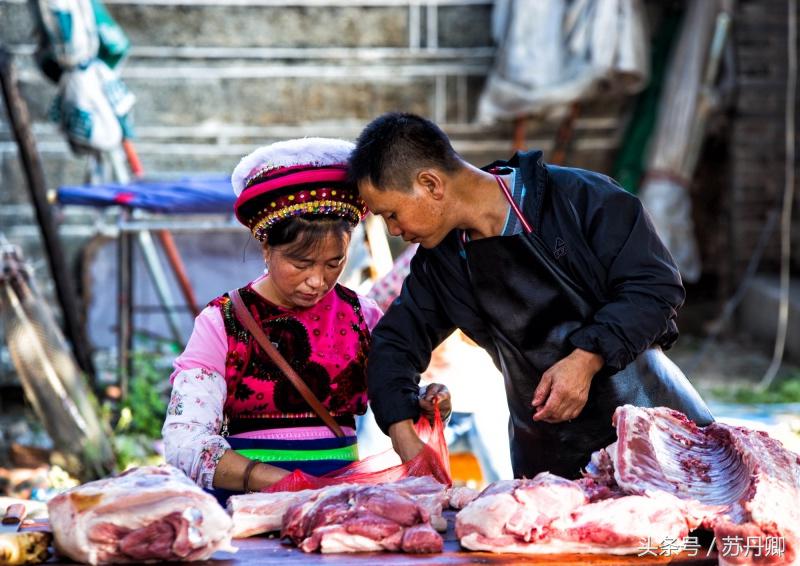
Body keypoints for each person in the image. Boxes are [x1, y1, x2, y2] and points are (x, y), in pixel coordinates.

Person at [349, 112, 713, 480]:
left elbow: (655, 285)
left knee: (681, 540)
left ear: (430, 184)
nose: (394, 230)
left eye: (392, 214)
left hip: (655, 436)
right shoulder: (442, 262)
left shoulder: (580, 198)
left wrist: (585, 359)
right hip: (550, 464)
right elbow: (394, 343)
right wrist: (402, 432)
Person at [162, 137, 448, 499]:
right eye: (300, 263)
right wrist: (288, 484)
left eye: (334, 263)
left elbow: (392, 402)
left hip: (338, 507)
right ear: (265, 246)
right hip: (251, 508)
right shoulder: (223, 321)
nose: (317, 281)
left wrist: (422, 403)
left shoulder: (363, 316)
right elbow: (184, 442)